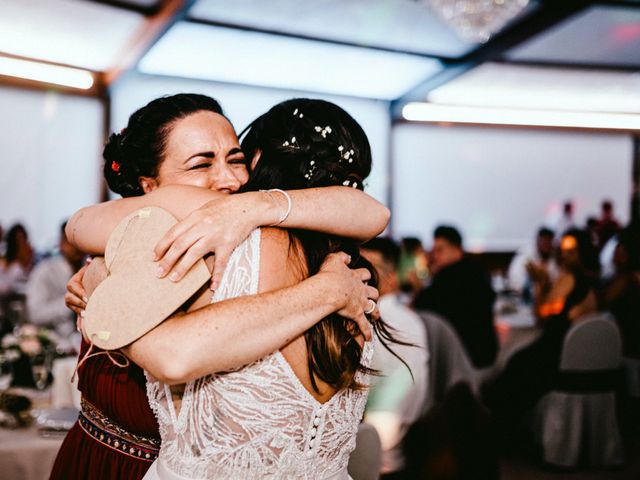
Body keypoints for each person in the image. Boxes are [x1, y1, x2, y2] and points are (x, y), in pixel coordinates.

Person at [51, 94, 387, 480]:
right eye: (202, 163)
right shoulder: (159, 231)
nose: (230, 180)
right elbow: (78, 225)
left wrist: (253, 207)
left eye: (237, 159)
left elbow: (374, 213)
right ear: (149, 185)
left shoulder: (245, 243)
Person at [482, 228, 599, 446]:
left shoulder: (570, 279)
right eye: (563, 250)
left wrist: (541, 283)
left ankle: (499, 433)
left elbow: (542, 314)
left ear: (582, 252)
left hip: (556, 350)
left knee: (515, 365)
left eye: (571, 251)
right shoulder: (591, 280)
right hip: (573, 352)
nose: (564, 255)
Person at [361, 237, 428, 478]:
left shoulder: (372, 323)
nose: (357, 274)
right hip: (404, 450)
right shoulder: (411, 319)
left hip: (373, 459)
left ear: (389, 279)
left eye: (366, 268)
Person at [414, 225, 497, 368]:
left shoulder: (450, 277)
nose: (434, 255)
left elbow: (420, 310)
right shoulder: (475, 271)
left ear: (457, 250)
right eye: (433, 250)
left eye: (440, 250)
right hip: (485, 353)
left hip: (463, 359)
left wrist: (418, 286)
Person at [25, 222, 84, 339]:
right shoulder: (44, 271)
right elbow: (35, 314)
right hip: (55, 341)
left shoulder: (91, 270)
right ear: (61, 243)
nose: (75, 246)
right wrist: (69, 304)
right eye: (70, 241)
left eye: (80, 241)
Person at [507, 227, 559, 297]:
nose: (546, 245)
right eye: (544, 242)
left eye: (549, 242)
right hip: (525, 299)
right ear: (538, 241)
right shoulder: (524, 257)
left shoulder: (556, 260)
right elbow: (515, 281)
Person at [0, 223, 33, 296]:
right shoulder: (7, 264)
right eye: (17, 241)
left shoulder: (23, 264)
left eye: (22, 240)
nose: (20, 244)